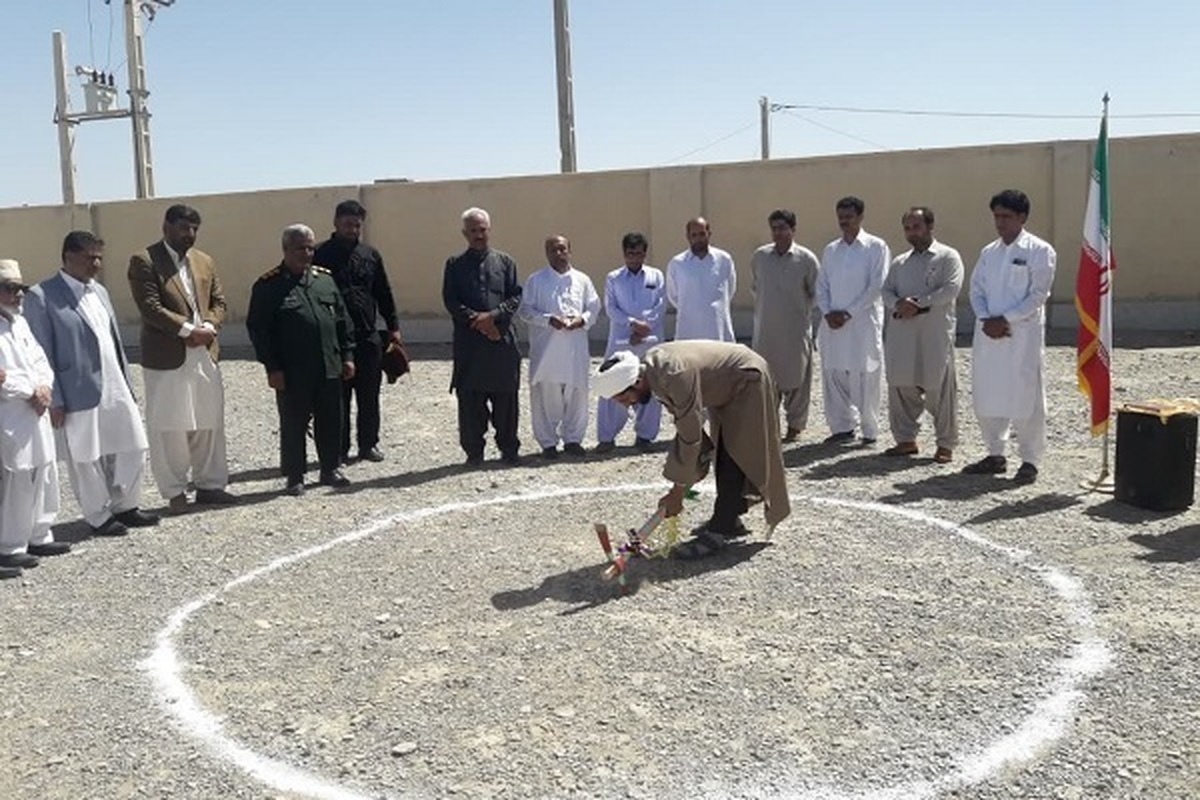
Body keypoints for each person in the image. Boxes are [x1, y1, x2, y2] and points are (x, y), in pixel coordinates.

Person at [594, 343, 790, 560]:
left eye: (624, 399)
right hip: (724, 388)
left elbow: (690, 436)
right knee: (722, 450)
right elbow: (689, 431)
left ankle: (720, 530)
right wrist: (686, 477)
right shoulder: (653, 373)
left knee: (734, 453)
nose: (626, 405)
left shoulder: (674, 374)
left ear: (637, 382)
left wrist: (678, 493)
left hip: (747, 381)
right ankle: (729, 516)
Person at [25, 231, 159, 536]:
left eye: (99, 257)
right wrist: (55, 398)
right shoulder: (42, 296)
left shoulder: (99, 291)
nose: (96, 264)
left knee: (134, 445)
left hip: (115, 384)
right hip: (76, 390)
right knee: (86, 456)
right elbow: (41, 351)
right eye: (89, 258)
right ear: (68, 256)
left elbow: (113, 341)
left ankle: (126, 505)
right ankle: (98, 516)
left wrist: (127, 382)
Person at [127, 204, 237, 515]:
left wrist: (210, 326)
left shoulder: (204, 261)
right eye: (183, 228)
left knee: (209, 421)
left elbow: (219, 301)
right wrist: (187, 330)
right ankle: (175, 491)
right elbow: (149, 306)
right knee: (170, 425)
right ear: (166, 227)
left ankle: (210, 485)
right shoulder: (145, 260)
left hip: (205, 352)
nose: (189, 235)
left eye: (193, 229)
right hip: (168, 355)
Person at [247, 224, 355, 495]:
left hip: (328, 364)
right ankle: (295, 475)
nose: (306, 253)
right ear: (285, 250)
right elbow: (260, 331)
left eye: (310, 248)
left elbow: (342, 321)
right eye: (300, 248)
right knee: (294, 422)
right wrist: (272, 367)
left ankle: (330, 468)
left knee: (331, 418)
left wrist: (348, 355)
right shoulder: (268, 286)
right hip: (293, 370)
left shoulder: (324, 280)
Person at [963, 189, 1056, 484]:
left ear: (1022, 217)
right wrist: (985, 318)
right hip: (989, 334)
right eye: (996, 216)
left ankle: (1029, 459)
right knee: (988, 392)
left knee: (1026, 396)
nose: (1000, 222)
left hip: (1021, 335)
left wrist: (1006, 319)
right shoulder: (989, 253)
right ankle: (995, 453)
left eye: (1006, 216)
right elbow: (976, 290)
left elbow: (1039, 294)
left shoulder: (1040, 251)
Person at [313, 200, 403, 465]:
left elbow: (383, 292)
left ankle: (368, 444)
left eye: (356, 225)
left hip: (368, 336)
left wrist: (393, 326)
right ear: (335, 222)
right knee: (338, 396)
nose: (352, 229)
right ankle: (339, 450)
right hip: (335, 338)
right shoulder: (320, 255)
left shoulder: (370, 255)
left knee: (369, 394)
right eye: (347, 224)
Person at [0, 259, 70, 576]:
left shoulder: (20, 322)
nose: (16, 295)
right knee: (15, 478)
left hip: (36, 408)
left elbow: (40, 359)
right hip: (11, 412)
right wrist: (30, 390)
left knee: (44, 471)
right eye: (9, 289)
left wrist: (44, 385)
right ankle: (10, 545)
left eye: (20, 289)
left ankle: (38, 534)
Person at [881, 207, 964, 463]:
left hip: (933, 333)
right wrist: (898, 304)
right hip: (902, 333)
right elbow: (886, 291)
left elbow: (951, 289)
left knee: (938, 386)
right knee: (901, 384)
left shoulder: (947, 257)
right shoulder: (900, 263)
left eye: (916, 227)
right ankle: (906, 439)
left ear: (930, 226)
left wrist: (918, 302)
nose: (911, 233)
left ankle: (945, 444)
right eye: (907, 228)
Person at [442, 207, 523, 467]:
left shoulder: (505, 262)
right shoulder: (454, 265)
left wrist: (495, 317)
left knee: (506, 400)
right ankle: (474, 452)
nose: (479, 235)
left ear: (489, 230)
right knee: (470, 401)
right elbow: (451, 300)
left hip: (501, 341)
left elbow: (515, 296)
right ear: (465, 233)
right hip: (470, 345)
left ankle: (509, 449)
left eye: (483, 230)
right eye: (473, 231)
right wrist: (477, 321)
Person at [816, 196, 891, 446]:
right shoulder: (831, 250)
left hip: (862, 323)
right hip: (833, 324)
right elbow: (822, 284)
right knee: (834, 373)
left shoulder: (876, 247)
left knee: (866, 375)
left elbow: (876, 286)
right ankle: (842, 427)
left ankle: (869, 430)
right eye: (841, 216)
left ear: (860, 217)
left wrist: (848, 313)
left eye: (849, 216)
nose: (844, 221)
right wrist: (828, 312)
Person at [518, 235, 600, 459]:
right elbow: (525, 310)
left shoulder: (582, 280)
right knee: (546, 395)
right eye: (553, 250)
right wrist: (548, 320)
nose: (558, 254)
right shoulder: (536, 280)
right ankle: (548, 443)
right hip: (547, 352)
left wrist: (582, 320)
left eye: (562, 249)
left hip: (575, 349)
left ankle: (573, 439)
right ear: (546, 253)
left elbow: (594, 307)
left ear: (570, 250)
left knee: (577, 393)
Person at [750, 209, 820, 444]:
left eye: (783, 228)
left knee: (797, 379)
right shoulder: (760, 257)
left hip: (795, 329)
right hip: (766, 331)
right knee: (767, 380)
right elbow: (756, 288)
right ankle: (769, 426)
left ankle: (795, 426)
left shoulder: (806, 259)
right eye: (774, 228)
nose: (778, 233)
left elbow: (815, 294)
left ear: (793, 229)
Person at [594, 232, 666, 453]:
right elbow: (611, 308)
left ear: (645, 253)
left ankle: (645, 436)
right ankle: (606, 437)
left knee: (649, 386)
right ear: (624, 254)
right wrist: (633, 324)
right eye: (630, 253)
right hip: (621, 341)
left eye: (638, 253)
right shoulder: (613, 278)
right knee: (611, 386)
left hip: (650, 340)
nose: (634, 257)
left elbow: (661, 305)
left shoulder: (656, 276)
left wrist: (645, 327)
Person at [665, 217, 736, 341]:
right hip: (688, 329)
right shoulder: (677, 263)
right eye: (694, 235)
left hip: (717, 328)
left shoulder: (724, 260)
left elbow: (730, 289)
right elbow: (673, 296)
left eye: (702, 234)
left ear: (709, 234)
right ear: (688, 236)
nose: (698, 239)